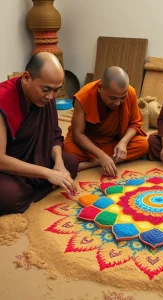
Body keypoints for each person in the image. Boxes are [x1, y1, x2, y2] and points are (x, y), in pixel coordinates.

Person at [0, 52, 78, 216]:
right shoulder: (3, 100)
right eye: (46, 89)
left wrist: (58, 163)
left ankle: (33, 187)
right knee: (9, 196)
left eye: (55, 90)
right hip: (7, 168)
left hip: (33, 159)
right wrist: (47, 173)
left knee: (70, 163)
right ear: (27, 78)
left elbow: (55, 135)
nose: (51, 97)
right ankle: (37, 186)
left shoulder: (46, 99)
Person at [64, 66, 148, 176]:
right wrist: (101, 155)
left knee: (143, 144)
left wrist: (123, 142)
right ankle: (105, 160)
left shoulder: (130, 92)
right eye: (113, 98)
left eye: (122, 98)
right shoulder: (84, 96)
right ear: (100, 88)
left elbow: (135, 123)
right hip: (89, 141)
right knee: (69, 152)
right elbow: (77, 134)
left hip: (114, 140)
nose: (118, 103)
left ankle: (92, 164)